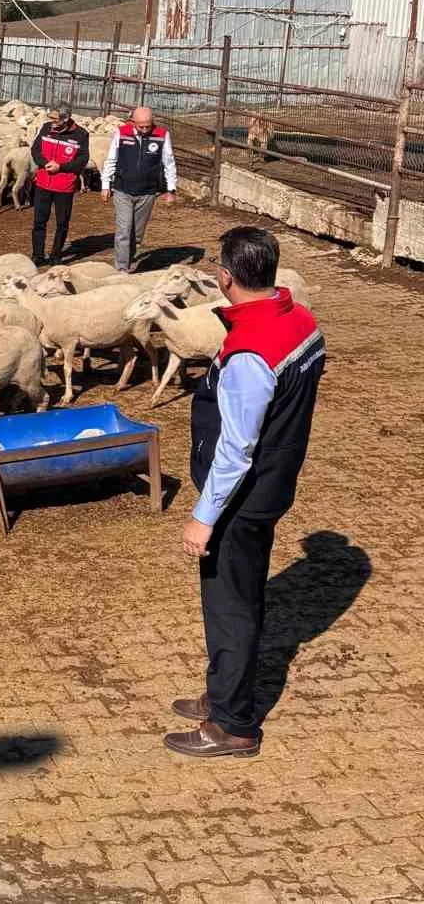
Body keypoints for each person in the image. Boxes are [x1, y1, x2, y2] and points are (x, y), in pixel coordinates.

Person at [165, 226, 325, 759]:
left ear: (226, 276)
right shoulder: (299, 321)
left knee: (230, 605)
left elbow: (236, 448)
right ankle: (222, 693)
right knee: (245, 592)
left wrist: (203, 516)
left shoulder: (250, 354)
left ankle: (233, 725)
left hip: (241, 497)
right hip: (275, 480)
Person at [101, 105, 177, 272]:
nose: (144, 129)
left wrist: (170, 190)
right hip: (123, 189)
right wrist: (106, 185)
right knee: (124, 230)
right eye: (140, 126)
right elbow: (111, 159)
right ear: (133, 122)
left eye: (147, 126)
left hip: (147, 192)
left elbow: (169, 163)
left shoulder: (162, 135)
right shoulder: (122, 133)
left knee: (137, 233)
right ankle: (121, 268)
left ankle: (130, 259)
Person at [28, 102, 90, 266]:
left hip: (64, 186)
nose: (52, 122)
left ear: (66, 118)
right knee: (39, 221)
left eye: (55, 119)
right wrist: (44, 163)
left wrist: (60, 167)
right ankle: (38, 255)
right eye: (51, 118)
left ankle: (56, 255)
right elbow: (35, 150)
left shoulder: (81, 135)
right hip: (43, 182)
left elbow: (82, 160)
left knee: (62, 222)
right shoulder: (46, 128)